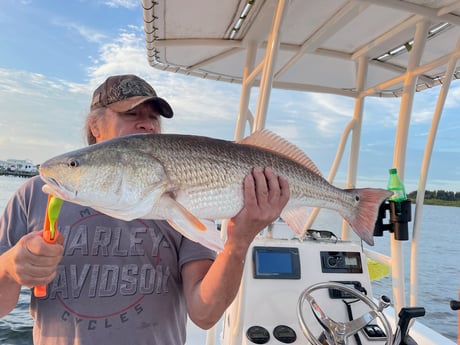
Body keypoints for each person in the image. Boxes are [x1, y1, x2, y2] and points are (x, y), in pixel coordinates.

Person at [0, 74, 290, 344]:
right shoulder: (35, 196)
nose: (148, 125)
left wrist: (237, 243)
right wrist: (11, 268)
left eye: (153, 117)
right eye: (131, 114)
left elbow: (204, 314)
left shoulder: (182, 203)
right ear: (95, 127)